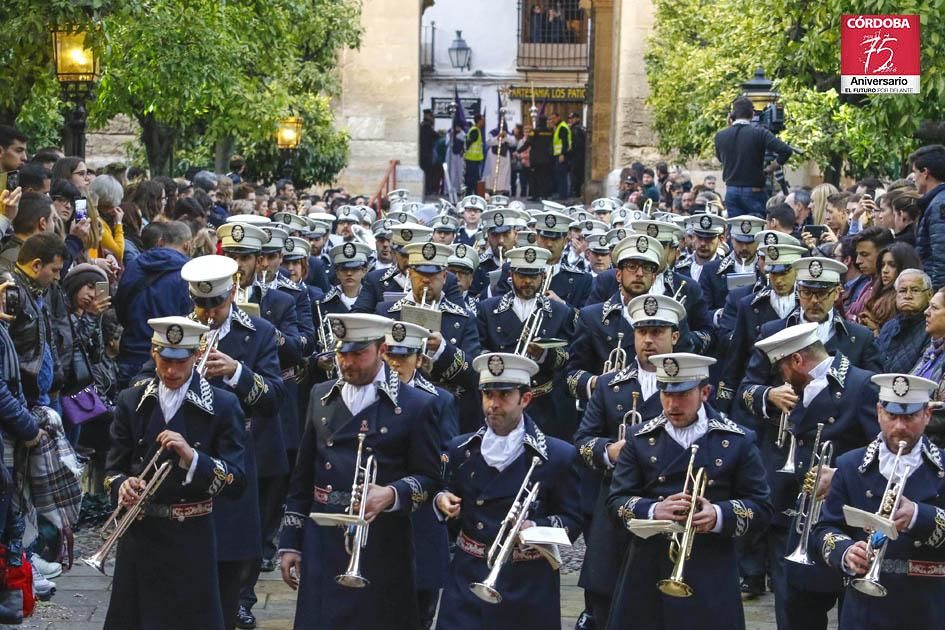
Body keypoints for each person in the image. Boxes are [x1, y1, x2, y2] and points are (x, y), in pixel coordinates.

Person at [278, 313, 441, 629]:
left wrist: (392, 493)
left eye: (358, 354)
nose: (347, 363)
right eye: (342, 353)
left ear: (382, 350)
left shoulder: (417, 405)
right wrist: (291, 542)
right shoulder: (320, 395)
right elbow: (302, 477)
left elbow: (430, 478)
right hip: (324, 535)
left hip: (382, 539)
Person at [605, 352, 772, 630]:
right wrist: (653, 509)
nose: (672, 404)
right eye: (666, 394)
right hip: (649, 564)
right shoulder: (639, 437)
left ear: (705, 392)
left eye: (682, 395)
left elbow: (762, 506)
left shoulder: (737, 439)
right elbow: (615, 502)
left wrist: (718, 515)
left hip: (711, 565)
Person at [102, 316, 246, 630]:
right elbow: (112, 469)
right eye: (164, 360)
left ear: (196, 356)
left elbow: (237, 480)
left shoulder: (222, 404)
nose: (171, 371)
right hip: (141, 536)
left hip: (191, 537)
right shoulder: (131, 401)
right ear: (153, 353)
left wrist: (194, 458)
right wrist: (121, 485)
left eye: (181, 362)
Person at [434, 352, 582, 629]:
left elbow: (573, 520)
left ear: (525, 399)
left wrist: (534, 527)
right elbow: (446, 491)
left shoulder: (558, 455)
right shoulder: (460, 449)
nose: (493, 404)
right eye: (488, 395)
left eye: (503, 396)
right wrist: (443, 500)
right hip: (468, 575)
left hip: (526, 582)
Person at [178, 255, 286, 630]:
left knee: (233, 541)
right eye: (201, 304)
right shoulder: (180, 329)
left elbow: (274, 399)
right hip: (189, 450)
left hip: (237, 449)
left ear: (234, 293)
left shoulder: (259, 331)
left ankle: (237, 599)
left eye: (217, 303)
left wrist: (238, 373)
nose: (208, 313)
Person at [752, 322, 879, 629]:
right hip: (804, 521)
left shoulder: (862, 385)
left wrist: (841, 474)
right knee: (796, 611)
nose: (782, 378)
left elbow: (885, 449)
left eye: (782, 368)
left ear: (797, 361)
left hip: (849, 526)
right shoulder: (802, 390)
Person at [573, 294, 685, 626]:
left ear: (675, 336)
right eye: (642, 331)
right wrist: (610, 452)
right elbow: (582, 442)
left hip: (668, 509)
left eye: (658, 331)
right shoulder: (609, 385)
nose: (649, 340)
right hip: (617, 508)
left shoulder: (689, 386)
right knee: (607, 596)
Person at [811, 373, 945, 629]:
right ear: (878, 412)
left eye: (909, 417)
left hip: (930, 604)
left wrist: (918, 516)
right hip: (865, 610)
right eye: (892, 416)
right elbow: (825, 528)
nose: (899, 427)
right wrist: (846, 552)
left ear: (927, 415)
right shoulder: (850, 465)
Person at [380, 319, 458, 629]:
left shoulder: (440, 399)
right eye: (391, 356)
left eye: (405, 357)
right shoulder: (371, 393)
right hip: (382, 503)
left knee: (422, 600)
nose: (396, 364)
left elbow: (448, 453)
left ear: (420, 359)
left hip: (422, 506)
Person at [476, 245, 576, 438]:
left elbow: (569, 356)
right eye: (522, 275)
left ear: (544, 276)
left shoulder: (561, 311)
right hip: (501, 397)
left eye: (534, 276)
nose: (528, 281)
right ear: (511, 275)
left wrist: (545, 354)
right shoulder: (487, 309)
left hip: (544, 403)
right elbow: (478, 348)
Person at [115, 221, 193, 387]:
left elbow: (120, 307)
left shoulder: (135, 265)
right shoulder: (188, 275)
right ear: (188, 244)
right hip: (167, 360)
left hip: (130, 352)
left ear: (161, 240)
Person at [714, 96, 794, 218]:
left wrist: (729, 128)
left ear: (732, 115)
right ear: (752, 114)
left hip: (731, 190)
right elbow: (785, 150)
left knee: (735, 229)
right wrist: (770, 169)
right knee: (757, 228)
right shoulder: (760, 133)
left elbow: (721, 159)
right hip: (754, 190)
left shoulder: (720, 136)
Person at [859, 242, 922, 335]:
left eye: (892, 265)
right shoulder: (875, 292)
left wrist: (876, 332)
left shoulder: (907, 300)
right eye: (882, 265)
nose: (885, 270)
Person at [877, 268, 932, 374]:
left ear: (929, 294)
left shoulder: (931, 328)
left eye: (915, 290)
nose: (908, 296)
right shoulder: (889, 326)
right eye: (902, 291)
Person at [911, 144, 945, 289]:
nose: (913, 179)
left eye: (914, 172)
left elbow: (941, 258)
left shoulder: (939, 205)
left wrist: (936, 296)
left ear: (925, 172)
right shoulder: (935, 202)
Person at [550, 112, 572, 200]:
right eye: (551, 119)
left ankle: (563, 195)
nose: (552, 120)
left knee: (562, 176)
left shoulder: (562, 127)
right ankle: (561, 194)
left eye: (554, 118)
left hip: (562, 155)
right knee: (559, 175)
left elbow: (565, 142)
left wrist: (563, 154)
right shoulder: (558, 127)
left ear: (558, 117)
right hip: (559, 154)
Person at [464, 115, 485, 195]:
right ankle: (471, 195)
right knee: (472, 180)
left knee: (474, 180)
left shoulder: (476, 130)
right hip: (472, 159)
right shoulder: (475, 131)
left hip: (474, 160)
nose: (484, 122)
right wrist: (464, 151)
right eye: (483, 120)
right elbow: (469, 143)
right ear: (479, 121)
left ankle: (474, 194)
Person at [568, 112, 586, 197]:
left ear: (578, 119)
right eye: (570, 118)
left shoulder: (576, 129)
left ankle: (576, 193)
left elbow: (577, 144)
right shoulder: (580, 128)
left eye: (573, 118)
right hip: (578, 156)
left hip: (577, 156)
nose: (571, 120)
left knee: (576, 175)